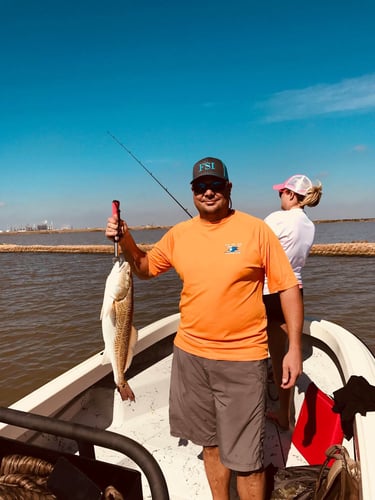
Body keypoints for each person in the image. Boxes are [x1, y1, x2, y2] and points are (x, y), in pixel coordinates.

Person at [106, 157, 304, 500]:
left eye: (215, 185)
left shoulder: (256, 230)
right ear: (193, 192)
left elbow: (287, 288)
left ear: (228, 188)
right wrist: (125, 239)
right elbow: (144, 266)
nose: (208, 192)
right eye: (201, 186)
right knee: (210, 445)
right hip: (190, 357)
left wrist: (294, 348)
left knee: (248, 462)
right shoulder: (180, 235)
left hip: (243, 360)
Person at [263, 174, 323, 431]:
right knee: (284, 355)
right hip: (295, 292)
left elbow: (253, 248)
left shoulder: (277, 219)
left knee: (268, 355)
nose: (279, 197)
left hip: (270, 291)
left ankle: (267, 408)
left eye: (282, 192)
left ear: (291, 194)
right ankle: (284, 413)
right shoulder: (309, 225)